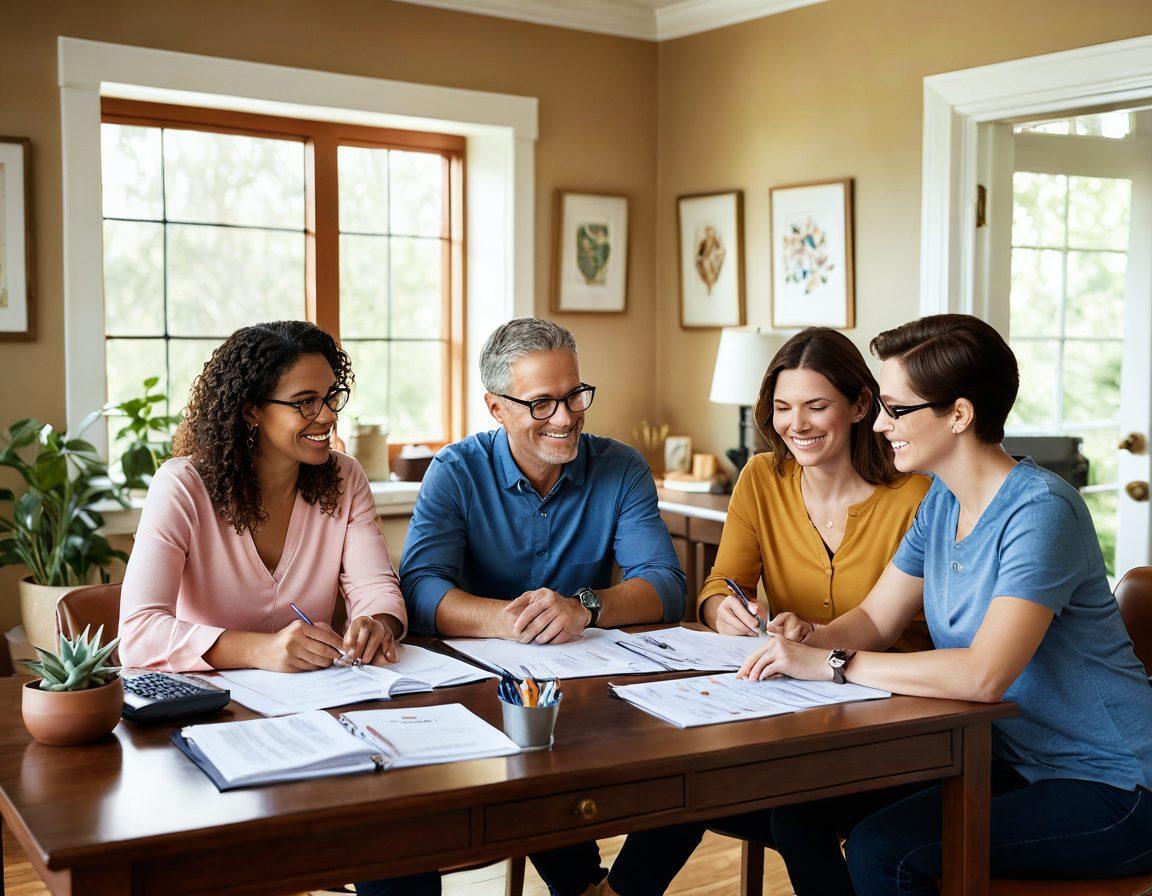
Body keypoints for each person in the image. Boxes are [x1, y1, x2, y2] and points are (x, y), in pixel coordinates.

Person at [737, 314, 1152, 895]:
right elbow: (876, 621)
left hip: (1117, 786)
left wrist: (834, 665)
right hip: (1012, 759)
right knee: (801, 814)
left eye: (896, 409)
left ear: (959, 414)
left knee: (887, 851)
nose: (880, 425)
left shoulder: (1042, 511)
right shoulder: (941, 502)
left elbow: (984, 675)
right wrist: (807, 640)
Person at [617, 327, 933, 895]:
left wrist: (815, 636)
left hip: (888, 711)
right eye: (783, 408)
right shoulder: (763, 477)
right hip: (789, 703)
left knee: (789, 810)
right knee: (687, 769)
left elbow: (911, 624)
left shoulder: (917, 494)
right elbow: (720, 586)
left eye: (817, 406)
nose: (798, 424)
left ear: (862, 405)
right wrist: (726, 613)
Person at [388, 317, 686, 896]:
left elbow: (666, 583)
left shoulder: (620, 467)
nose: (568, 416)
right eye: (542, 403)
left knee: (689, 771)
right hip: (474, 691)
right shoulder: (455, 470)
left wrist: (586, 606)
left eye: (575, 395)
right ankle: (585, 887)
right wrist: (503, 619)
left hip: (586, 688)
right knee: (529, 756)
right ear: (496, 408)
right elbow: (419, 587)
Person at [119, 319, 406, 674]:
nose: (329, 415)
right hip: (211, 708)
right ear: (251, 409)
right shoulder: (181, 487)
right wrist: (259, 650)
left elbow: (376, 586)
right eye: (305, 402)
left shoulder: (346, 477)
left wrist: (376, 624)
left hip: (319, 699)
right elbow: (138, 633)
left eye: (331, 396)